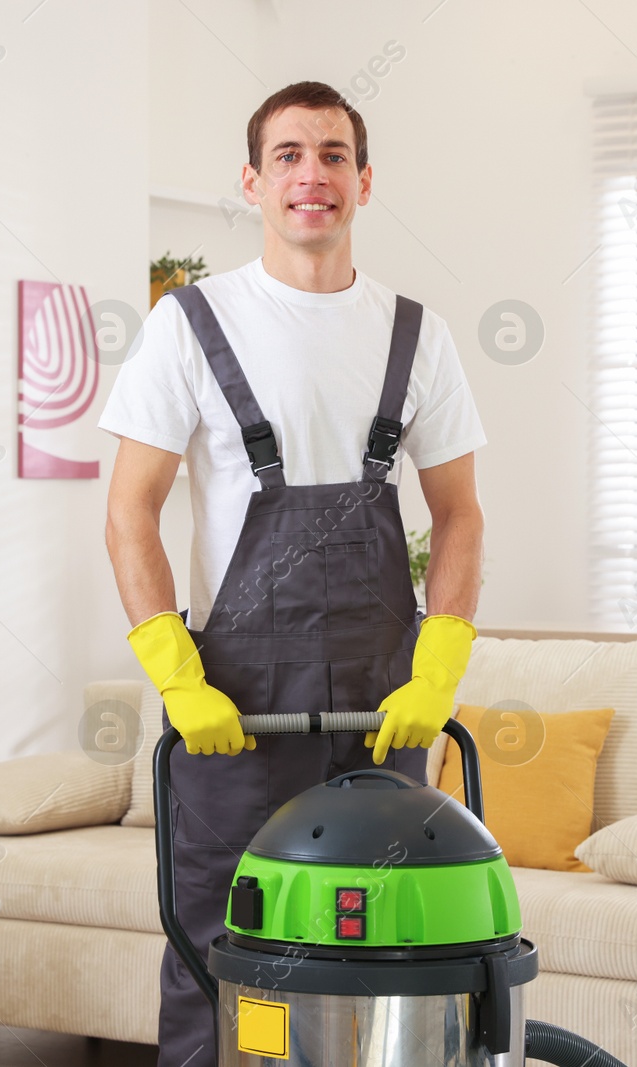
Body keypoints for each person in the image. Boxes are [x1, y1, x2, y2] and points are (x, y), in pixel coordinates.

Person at [100, 81, 487, 1065]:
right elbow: (128, 509)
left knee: (390, 927)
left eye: (330, 154)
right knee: (216, 935)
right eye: (287, 155)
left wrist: (437, 667)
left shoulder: (416, 333)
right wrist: (177, 676)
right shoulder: (190, 325)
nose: (310, 174)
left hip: (383, 693)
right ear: (251, 181)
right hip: (235, 703)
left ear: (363, 180)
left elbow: (459, 512)